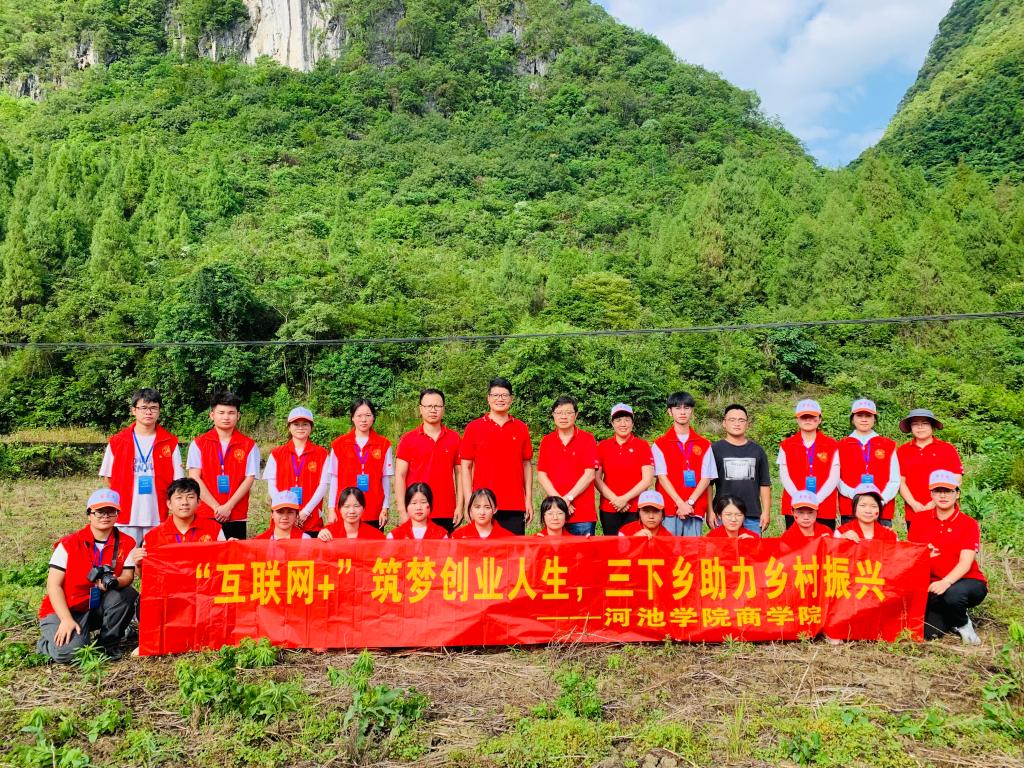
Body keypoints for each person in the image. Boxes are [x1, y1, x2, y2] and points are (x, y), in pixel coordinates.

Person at [37, 489, 138, 662]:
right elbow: (53, 585)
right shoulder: (69, 544)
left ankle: (107, 644)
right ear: (89, 514)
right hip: (66, 608)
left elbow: (128, 576)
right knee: (70, 653)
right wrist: (66, 619)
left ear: (117, 514)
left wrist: (115, 582)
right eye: (99, 511)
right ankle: (44, 644)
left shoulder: (127, 542)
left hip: (96, 607)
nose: (105, 516)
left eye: (111, 511)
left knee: (127, 593)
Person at [908, 470, 986, 644]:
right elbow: (912, 555)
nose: (942, 496)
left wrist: (946, 582)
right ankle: (952, 616)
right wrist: (924, 555)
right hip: (932, 584)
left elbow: (966, 562)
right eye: (937, 491)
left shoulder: (968, 523)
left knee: (953, 595)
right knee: (929, 633)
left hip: (966, 581)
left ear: (957, 494)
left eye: (948, 491)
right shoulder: (919, 520)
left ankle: (963, 624)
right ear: (931, 494)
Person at [99, 388, 184, 546]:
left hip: (157, 514)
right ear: (134, 410)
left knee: (154, 556)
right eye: (143, 408)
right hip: (125, 515)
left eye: (153, 408)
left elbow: (177, 481)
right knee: (125, 557)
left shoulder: (170, 442)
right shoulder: (118, 441)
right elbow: (108, 478)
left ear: (159, 411)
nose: (148, 412)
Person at [460, 378, 533, 535]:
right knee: (484, 549)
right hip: (483, 505)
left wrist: (528, 500)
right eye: (495, 395)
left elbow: (527, 465)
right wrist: (469, 502)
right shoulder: (474, 428)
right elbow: (466, 467)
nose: (500, 399)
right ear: (488, 398)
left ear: (511, 399)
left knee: (513, 549)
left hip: (514, 504)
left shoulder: (521, 428)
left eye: (504, 395)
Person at [187, 391, 260, 540]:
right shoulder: (198, 444)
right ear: (212, 415)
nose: (226, 417)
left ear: (238, 416)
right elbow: (194, 477)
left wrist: (228, 506)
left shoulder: (249, 445)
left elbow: (249, 479)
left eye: (231, 413)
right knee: (207, 553)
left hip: (236, 513)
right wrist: (216, 507)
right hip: (206, 512)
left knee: (235, 554)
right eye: (221, 412)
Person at [394, 389, 461, 534]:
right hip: (416, 510)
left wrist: (460, 506)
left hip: (446, 510)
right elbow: (400, 476)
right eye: (428, 406)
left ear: (443, 409)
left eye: (437, 406)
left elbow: (460, 474)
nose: (433, 410)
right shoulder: (408, 439)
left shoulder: (454, 438)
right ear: (421, 409)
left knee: (445, 548)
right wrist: (402, 510)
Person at [652, 392, 717, 536]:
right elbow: (662, 477)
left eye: (686, 408)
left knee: (692, 549)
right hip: (669, 508)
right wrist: (680, 503)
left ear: (692, 411)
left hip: (694, 508)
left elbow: (706, 478)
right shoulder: (659, 444)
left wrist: (690, 502)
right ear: (670, 412)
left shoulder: (704, 444)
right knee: (669, 548)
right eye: (677, 408)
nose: (682, 412)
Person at [536, 396, 600, 536]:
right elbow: (541, 475)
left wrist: (568, 498)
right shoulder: (547, 441)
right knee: (554, 550)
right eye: (559, 412)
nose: (563, 416)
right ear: (553, 415)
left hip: (582, 514)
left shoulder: (587, 439)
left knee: (583, 550)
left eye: (568, 412)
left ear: (576, 415)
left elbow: (589, 474)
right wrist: (561, 503)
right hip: (554, 514)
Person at [327, 399, 394, 530]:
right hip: (346, 510)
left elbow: (385, 479)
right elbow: (334, 479)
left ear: (373, 417)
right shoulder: (339, 444)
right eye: (359, 416)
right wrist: (331, 509)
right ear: (352, 417)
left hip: (374, 509)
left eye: (368, 415)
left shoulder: (384, 444)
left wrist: (385, 508)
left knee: (373, 542)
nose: (364, 420)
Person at [263, 407, 329, 536]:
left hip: (311, 519)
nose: (300, 428)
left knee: (310, 549)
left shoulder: (322, 454)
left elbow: (323, 486)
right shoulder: (277, 453)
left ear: (311, 427)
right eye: (296, 424)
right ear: (289, 427)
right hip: (284, 520)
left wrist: (305, 512)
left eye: (305, 424)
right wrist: (287, 513)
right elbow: (272, 486)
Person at [897, 408, 963, 532]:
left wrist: (935, 502)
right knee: (917, 543)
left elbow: (957, 478)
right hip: (915, 511)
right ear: (910, 427)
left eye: (925, 423)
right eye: (915, 424)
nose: (920, 427)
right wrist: (913, 503)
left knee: (947, 543)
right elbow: (900, 481)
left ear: (932, 426)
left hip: (945, 510)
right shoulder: (902, 451)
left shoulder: (947, 449)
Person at [778, 399, 840, 531]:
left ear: (819, 419)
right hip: (795, 505)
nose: (808, 420)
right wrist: (799, 499)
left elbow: (834, 477)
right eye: (804, 416)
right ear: (797, 419)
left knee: (825, 541)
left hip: (824, 504)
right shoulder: (786, 445)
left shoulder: (832, 445)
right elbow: (784, 476)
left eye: (812, 416)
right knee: (795, 541)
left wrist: (817, 499)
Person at [710, 404, 771, 534]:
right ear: (724, 423)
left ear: (747, 424)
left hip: (752, 515)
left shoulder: (758, 451)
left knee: (752, 547)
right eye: (732, 420)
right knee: (722, 548)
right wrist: (710, 511)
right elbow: (708, 484)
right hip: (723, 514)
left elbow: (764, 484)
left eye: (741, 420)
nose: (737, 423)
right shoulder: (715, 449)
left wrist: (766, 512)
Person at [838, 399, 900, 527]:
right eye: (859, 415)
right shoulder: (841, 445)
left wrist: (879, 501)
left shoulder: (888, 445)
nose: (864, 419)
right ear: (852, 419)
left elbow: (895, 480)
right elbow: (837, 479)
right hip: (851, 508)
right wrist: (856, 497)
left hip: (881, 509)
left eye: (868, 416)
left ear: (874, 419)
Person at [596, 403, 655, 536]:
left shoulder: (642, 446)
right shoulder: (603, 446)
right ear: (612, 423)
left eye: (627, 420)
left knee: (634, 545)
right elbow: (597, 478)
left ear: (632, 423)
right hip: (609, 507)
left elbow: (647, 479)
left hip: (635, 507)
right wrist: (616, 500)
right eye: (618, 420)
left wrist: (625, 499)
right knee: (611, 545)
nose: (623, 424)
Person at [135, 478, 225, 555]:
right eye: (179, 498)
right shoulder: (153, 536)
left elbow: (224, 560)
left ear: (198, 502)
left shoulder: (214, 528)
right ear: (169, 504)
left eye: (190, 497)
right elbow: (147, 568)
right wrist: (138, 565)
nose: (184, 502)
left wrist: (231, 548)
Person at [318, 487, 386, 541]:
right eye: (347, 506)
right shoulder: (328, 532)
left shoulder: (376, 536)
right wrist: (320, 538)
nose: (352, 511)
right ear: (340, 509)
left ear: (363, 508)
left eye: (356, 506)